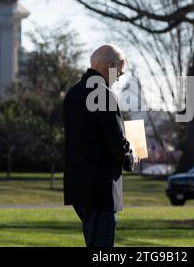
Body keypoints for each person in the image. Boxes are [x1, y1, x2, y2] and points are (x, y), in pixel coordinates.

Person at [62, 44, 140, 247]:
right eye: (119, 72)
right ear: (110, 66)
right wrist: (132, 157)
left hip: (78, 186)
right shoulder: (104, 95)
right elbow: (116, 143)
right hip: (100, 188)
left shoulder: (73, 94)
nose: (119, 78)